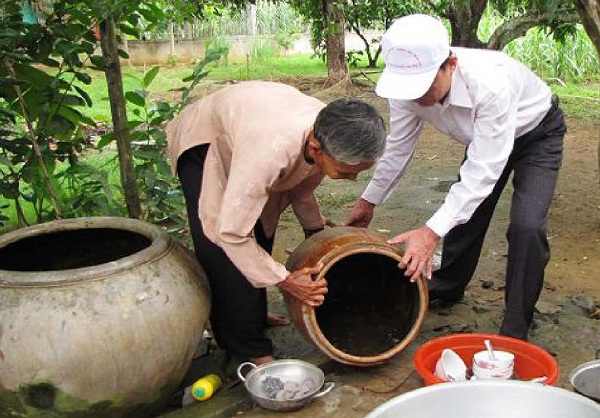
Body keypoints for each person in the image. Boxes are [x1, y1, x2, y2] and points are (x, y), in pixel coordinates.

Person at [345, 14, 566, 340]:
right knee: (464, 217)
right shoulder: (404, 88)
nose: (416, 96)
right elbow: (398, 148)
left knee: (527, 226)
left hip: (537, 135)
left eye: (424, 85)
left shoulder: (491, 82)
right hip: (483, 141)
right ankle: (448, 285)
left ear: (450, 63)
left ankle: (517, 325)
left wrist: (429, 232)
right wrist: (368, 202)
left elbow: (485, 169)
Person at [166, 81, 386, 367]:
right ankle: (247, 346)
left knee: (260, 229)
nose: (352, 179)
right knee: (222, 246)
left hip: (250, 127)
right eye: (345, 172)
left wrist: (317, 233)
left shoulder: (331, 130)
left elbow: (301, 190)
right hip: (206, 140)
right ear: (316, 148)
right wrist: (285, 280)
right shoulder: (269, 150)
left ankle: (252, 314)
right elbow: (231, 233)